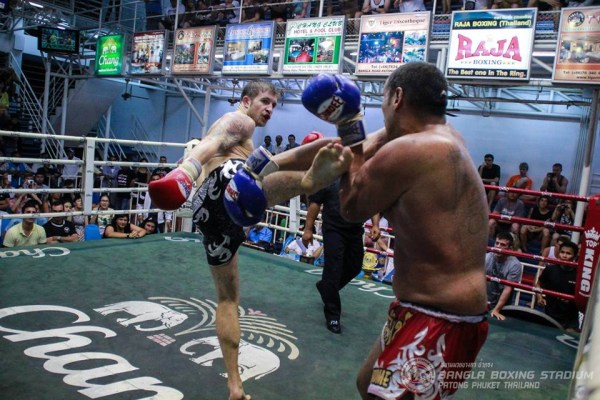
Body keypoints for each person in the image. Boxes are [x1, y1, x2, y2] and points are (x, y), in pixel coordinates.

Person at [148, 80, 350, 400]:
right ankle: (309, 180)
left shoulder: (249, 142)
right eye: (265, 101)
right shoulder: (240, 119)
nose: (269, 109)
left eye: (273, 105)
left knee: (228, 299)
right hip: (224, 184)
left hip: (213, 218)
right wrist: (188, 169)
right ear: (247, 100)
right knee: (253, 172)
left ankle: (234, 386)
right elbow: (216, 139)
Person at [302, 64, 489, 398]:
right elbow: (360, 144)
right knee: (366, 382)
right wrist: (268, 167)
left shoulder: (413, 149)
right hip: (431, 308)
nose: (383, 108)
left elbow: (351, 208)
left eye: (384, 99)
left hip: (440, 316)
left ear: (398, 97)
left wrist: (348, 125)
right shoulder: (443, 136)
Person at [303, 178, 379, 334]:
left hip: (355, 229)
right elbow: (315, 203)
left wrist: (376, 224)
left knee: (355, 265)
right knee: (333, 269)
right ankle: (333, 315)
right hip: (333, 229)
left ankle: (326, 288)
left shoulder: (365, 177)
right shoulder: (330, 177)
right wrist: (308, 229)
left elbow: (373, 203)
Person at [535, 240, 579, 331]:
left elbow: (584, 297)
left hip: (569, 317)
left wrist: (572, 299)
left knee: (569, 337)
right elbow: (538, 284)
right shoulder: (550, 269)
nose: (564, 255)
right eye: (562, 252)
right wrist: (539, 297)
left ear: (574, 256)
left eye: (568, 253)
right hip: (550, 314)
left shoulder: (579, 274)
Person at [485, 232, 523, 320]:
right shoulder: (487, 258)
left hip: (505, 306)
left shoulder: (514, 265)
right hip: (487, 300)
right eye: (497, 243)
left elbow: (507, 289)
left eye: (502, 245)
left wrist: (496, 310)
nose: (498, 247)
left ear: (510, 248)